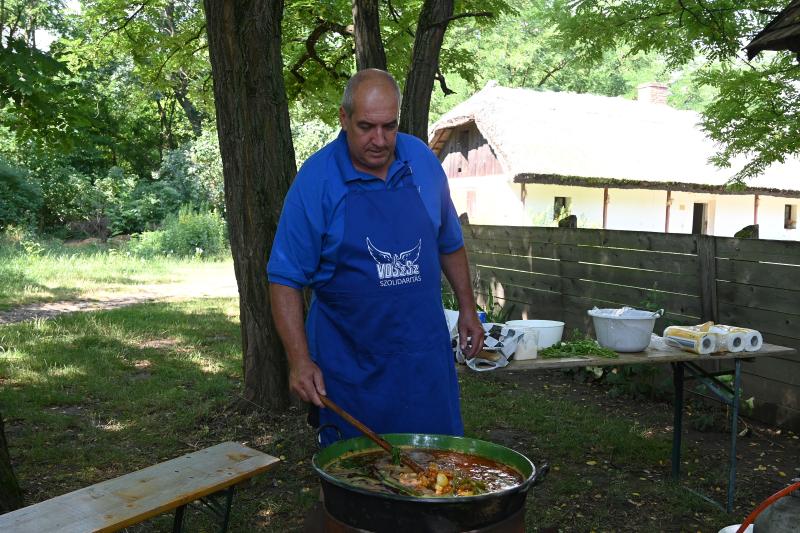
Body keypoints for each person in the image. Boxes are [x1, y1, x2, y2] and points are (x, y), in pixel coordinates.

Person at [267, 68, 484, 447]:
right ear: (344, 118)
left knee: (438, 467)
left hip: (425, 363)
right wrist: (299, 361)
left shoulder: (422, 162)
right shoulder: (317, 181)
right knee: (357, 473)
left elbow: (449, 243)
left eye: (389, 127)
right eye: (366, 127)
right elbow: (285, 278)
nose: (380, 140)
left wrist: (468, 309)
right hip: (351, 369)